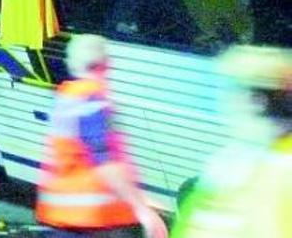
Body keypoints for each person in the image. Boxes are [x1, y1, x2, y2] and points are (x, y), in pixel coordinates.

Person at [36, 34, 167, 238]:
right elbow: (105, 164)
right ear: (106, 63)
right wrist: (142, 210)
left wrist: (139, 199)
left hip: (60, 217)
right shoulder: (93, 102)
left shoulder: (66, 97)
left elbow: (79, 161)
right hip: (89, 223)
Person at [171, 46, 292, 237]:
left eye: (231, 91)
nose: (224, 105)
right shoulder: (231, 159)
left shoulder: (280, 170)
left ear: (256, 102)